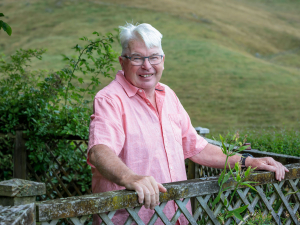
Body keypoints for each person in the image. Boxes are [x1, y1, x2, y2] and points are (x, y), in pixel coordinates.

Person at [87, 23, 288, 225]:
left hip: (176, 216)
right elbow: (99, 151)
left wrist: (248, 162)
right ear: (123, 62)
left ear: (163, 60)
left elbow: (196, 147)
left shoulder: (168, 95)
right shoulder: (110, 99)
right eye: (137, 58)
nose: (147, 66)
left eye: (154, 57)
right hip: (131, 219)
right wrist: (129, 178)